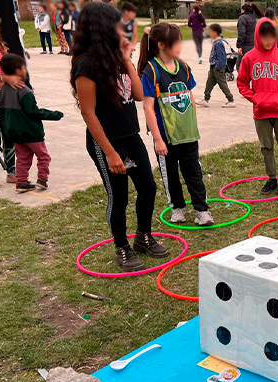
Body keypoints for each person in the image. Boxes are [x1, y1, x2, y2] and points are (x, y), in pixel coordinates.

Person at [70, 2, 168, 271]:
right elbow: (89, 114)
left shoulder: (117, 59)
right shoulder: (86, 65)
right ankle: (122, 247)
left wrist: (126, 59)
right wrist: (111, 153)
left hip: (131, 135)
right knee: (119, 197)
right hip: (107, 143)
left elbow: (137, 94)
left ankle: (143, 237)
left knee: (148, 187)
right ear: (101, 28)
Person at [137, 23, 214, 226]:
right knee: (170, 175)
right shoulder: (151, 70)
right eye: (175, 42)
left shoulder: (184, 66)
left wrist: (193, 126)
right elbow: (148, 108)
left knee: (194, 173)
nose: (180, 45)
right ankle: (177, 208)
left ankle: (202, 210)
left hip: (187, 134)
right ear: (161, 44)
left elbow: (190, 97)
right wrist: (157, 139)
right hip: (165, 137)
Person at [237, 18, 278, 195]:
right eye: (264, 36)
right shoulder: (249, 57)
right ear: (258, 36)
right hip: (261, 111)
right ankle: (271, 179)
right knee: (266, 147)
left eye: (271, 36)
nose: (268, 41)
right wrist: (255, 98)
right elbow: (242, 83)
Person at [0, 54, 62, 192]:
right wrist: (55, 115)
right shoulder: (24, 91)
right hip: (31, 132)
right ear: (17, 70)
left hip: (15, 133)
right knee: (43, 156)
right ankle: (42, 180)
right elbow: (34, 112)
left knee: (22, 158)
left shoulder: (3, 90)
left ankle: (21, 182)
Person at [0, 7, 21, 191]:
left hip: (6, 96)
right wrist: (2, 78)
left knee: (9, 134)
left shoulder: (0, 45)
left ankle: (12, 172)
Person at [197, 24, 235, 108]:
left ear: (215, 33)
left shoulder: (218, 43)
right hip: (213, 67)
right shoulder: (216, 42)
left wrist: (218, 68)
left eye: (210, 32)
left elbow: (221, 57)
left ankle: (231, 100)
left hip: (218, 68)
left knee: (222, 84)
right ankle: (206, 100)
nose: (209, 33)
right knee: (209, 83)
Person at [236, 3, 262, 71]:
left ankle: (244, 80)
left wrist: (239, 46)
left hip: (245, 45)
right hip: (254, 44)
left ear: (244, 10)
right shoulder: (253, 18)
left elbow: (241, 33)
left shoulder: (242, 18)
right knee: (252, 65)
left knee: (240, 66)